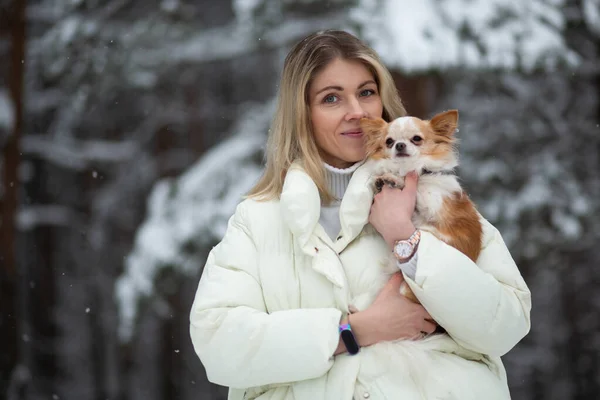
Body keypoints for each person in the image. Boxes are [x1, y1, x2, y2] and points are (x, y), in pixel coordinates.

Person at [189, 30, 531, 400]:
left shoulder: (441, 196)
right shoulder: (257, 219)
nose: (356, 111)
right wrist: (352, 332)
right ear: (302, 113)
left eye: (366, 92)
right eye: (331, 98)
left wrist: (407, 240)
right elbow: (219, 344)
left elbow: (506, 326)